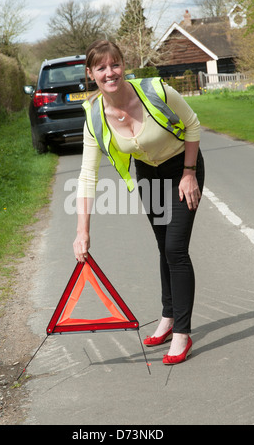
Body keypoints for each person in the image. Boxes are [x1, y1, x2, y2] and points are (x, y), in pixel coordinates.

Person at [73, 40, 205, 365]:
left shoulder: (155, 91)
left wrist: (189, 173)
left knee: (175, 248)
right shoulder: (94, 117)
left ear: (123, 64)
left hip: (182, 167)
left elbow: (192, 125)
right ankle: (168, 316)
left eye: (114, 64)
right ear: (91, 74)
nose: (110, 72)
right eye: (101, 68)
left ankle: (183, 334)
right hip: (150, 175)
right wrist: (82, 232)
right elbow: (87, 175)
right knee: (163, 247)